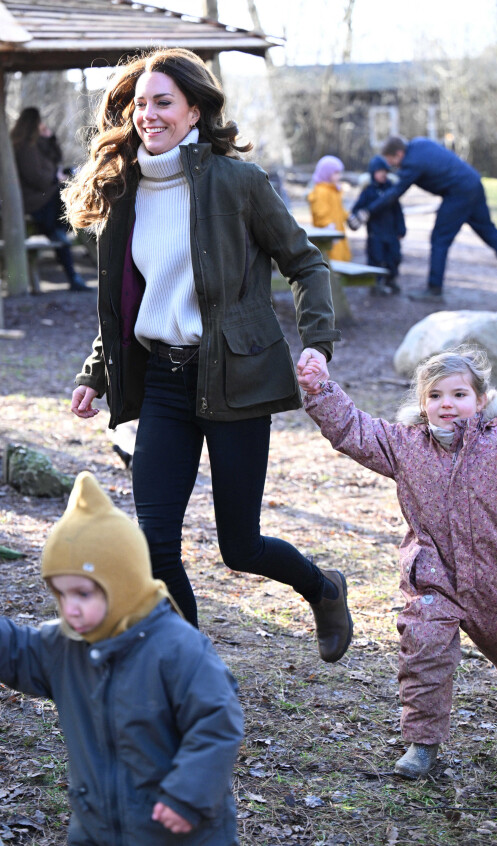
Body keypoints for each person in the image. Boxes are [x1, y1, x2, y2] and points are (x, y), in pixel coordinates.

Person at [62, 47, 352, 664]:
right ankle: (190, 673)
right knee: (155, 544)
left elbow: (305, 264)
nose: (148, 114)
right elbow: (127, 302)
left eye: (163, 102)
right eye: (140, 104)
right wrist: (96, 374)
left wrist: (317, 346)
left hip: (235, 379)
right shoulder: (124, 192)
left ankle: (324, 590)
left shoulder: (238, 184)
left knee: (239, 548)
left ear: (195, 111)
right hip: (163, 383)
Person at [299, 346, 497, 779]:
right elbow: (352, 428)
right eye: (435, 395)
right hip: (431, 576)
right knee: (424, 650)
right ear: (422, 402)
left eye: (458, 394)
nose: (446, 403)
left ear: (481, 400)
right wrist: (320, 388)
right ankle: (423, 742)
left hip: (493, 574)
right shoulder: (403, 445)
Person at [0, 471, 244, 844]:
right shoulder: (63, 646)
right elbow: (15, 652)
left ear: (124, 583)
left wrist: (187, 795)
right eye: (61, 595)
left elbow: (216, 721)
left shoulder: (178, 648)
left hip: (177, 830)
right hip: (96, 827)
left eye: (83, 594)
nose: (71, 610)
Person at [374, 135, 497, 301]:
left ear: (398, 154)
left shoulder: (412, 162)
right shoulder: (420, 143)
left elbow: (395, 192)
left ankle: (434, 289)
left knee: (440, 239)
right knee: (488, 230)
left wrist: (369, 210)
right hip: (473, 182)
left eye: (391, 160)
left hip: (458, 193)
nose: (390, 165)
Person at [10, 107, 90, 292]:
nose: (42, 125)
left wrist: (51, 138)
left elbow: (55, 160)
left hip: (45, 198)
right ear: (33, 123)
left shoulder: (35, 144)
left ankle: (64, 231)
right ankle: (69, 230)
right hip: (35, 201)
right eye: (39, 122)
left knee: (66, 198)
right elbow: (37, 177)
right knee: (67, 192)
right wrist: (55, 178)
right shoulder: (24, 147)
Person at [348, 154, 406, 295]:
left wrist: (401, 229)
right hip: (375, 234)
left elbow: (398, 211)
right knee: (376, 258)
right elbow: (357, 210)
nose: (383, 174)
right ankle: (376, 283)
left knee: (394, 257)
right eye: (380, 172)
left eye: (385, 172)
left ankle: (390, 280)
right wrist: (358, 216)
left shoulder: (391, 189)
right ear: (373, 173)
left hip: (391, 232)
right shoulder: (368, 191)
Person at [307, 155, 352, 261]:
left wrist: (348, 217)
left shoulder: (335, 191)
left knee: (341, 259)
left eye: (339, 173)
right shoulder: (320, 191)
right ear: (326, 173)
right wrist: (328, 227)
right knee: (330, 260)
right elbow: (320, 213)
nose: (339, 176)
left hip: (338, 232)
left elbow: (339, 210)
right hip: (327, 235)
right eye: (336, 173)